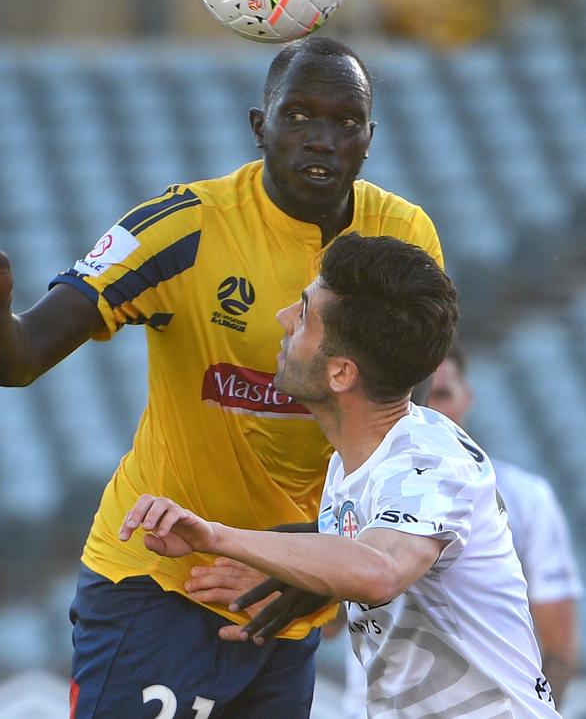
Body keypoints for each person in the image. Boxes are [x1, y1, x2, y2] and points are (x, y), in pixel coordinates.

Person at [0, 37, 444, 719]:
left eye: (345, 121)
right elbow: (21, 356)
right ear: (259, 126)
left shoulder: (403, 239)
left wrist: (316, 564)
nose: (322, 139)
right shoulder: (184, 227)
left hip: (284, 596)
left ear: (369, 138)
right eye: (298, 116)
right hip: (158, 582)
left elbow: (410, 430)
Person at [120, 234, 560, 718]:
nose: (283, 319)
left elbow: (380, 571)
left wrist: (216, 536)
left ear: (341, 374)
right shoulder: (351, 464)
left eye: (305, 313)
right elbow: (358, 573)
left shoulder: (429, 461)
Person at [338, 346, 582, 717]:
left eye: (442, 394)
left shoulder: (526, 497)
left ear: (468, 399)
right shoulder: (348, 486)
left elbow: (557, 645)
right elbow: (324, 625)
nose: (430, 408)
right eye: (419, 396)